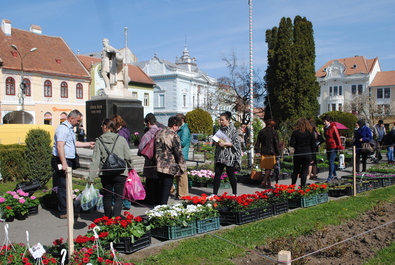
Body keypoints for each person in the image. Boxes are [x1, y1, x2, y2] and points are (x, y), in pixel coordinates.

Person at [52, 110, 95, 219]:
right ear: (71, 119)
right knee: (63, 186)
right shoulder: (63, 129)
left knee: (67, 185)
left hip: (67, 159)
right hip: (62, 160)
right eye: (78, 120)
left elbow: (73, 143)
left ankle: (68, 209)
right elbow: (60, 146)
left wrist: (87, 144)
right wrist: (64, 163)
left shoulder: (69, 129)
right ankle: (64, 211)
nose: (78, 123)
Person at [87, 118, 133, 218]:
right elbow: (128, 157)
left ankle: (107, 218)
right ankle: (116, 219)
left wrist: (91, 177)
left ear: (105, 126)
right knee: (118, 197)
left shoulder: (99, 141)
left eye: (101, 125)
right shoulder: (121, 139)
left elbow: (95, 160)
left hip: (106, 172)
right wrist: (131, 168)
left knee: (107, 197)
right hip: (120, 172)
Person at [155, 116, 186, 205]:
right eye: (178, 126)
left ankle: (159, 204)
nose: (178, 128)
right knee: (166, 187)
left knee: (161, 186)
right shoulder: (173, 135)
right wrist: (182, 165)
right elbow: (178, 152)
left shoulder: (159, 132)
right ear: (174, 125)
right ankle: (163, 206)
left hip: (158, 163)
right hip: (169, 165)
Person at [212, 112, 241, 196]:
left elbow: (236, 144)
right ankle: (214, 193)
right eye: (220, 120)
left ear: (228, 120)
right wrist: (217, 142)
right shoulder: (219, 129)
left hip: (229, 156)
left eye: (222, 120)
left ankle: (234, 193)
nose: (220, 122)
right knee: (217, 174)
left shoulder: (233, 130)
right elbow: (215, 140)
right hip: (220, 155)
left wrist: (225, 144)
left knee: (230, 174)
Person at [137, 113, 163, 205]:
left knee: (151, 182)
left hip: (150, 162)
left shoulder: (148, 134)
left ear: (148, 123)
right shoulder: (162, 132)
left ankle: (151, 200)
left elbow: (141, 149)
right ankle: (159, 200)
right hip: (161, 161)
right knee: (159, 182)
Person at [112, 114, 131, 209]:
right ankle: (126, 202)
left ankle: (121, 202)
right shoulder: (125, 131)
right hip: (123, 160)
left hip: (119, 160)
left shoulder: (120, 134)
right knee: (124, 184)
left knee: (119, 185)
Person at [289, 118, 315, 187]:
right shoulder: (310, 132)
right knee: (304, 171)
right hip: (307, 153)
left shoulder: (295, 132)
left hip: (298, 152)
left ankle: (292, 185)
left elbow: (291, 143)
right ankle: (302, 186)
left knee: (296, 170)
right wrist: (313, 156)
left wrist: (296, 146)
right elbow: (313, 145)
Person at [255, 119, 280, 188]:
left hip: (264, 151)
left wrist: (257, 150)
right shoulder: (274, 132)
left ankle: (268, 181)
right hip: (271, 152)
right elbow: (276, 143)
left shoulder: (261, 131)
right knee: (269, 168)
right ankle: (264, 181)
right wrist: (278, 152)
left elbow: (258, 142)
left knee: (266, 168)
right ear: (273, 125)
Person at [322, 115, 344, 182]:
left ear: (328, 121)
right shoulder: (326, 128)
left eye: (325, 121)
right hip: (328, 145)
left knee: (331, 161)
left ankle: (330, 176)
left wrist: (339, 146)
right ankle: (334, 175)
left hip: (333, 146)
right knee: (330, 161)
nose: (324, 123)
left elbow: (337, 137)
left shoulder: (333, 127)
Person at [175, 113, 191, 199]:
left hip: (182, 154)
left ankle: (183, 194)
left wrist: (174, 142)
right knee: (178, 174)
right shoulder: (181, 128)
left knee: (182, 175)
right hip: (179, 154)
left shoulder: (185, 129)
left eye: (177, 121)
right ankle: (179, 193)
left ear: (182, 120)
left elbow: (183, 142)